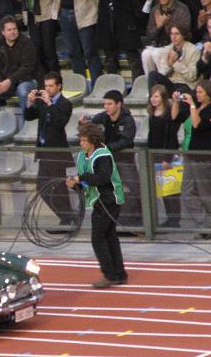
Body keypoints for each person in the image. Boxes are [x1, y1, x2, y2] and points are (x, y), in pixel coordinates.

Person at [66, 122, 128, 288]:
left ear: (92, 140)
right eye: (81, 140)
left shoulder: (102, 155)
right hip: (99, 199)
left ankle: (110, 274)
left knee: (98, 238)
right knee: (110, 236)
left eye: (84, 140)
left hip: (109, 199)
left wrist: (82, 178)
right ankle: (118, 274)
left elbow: (102, 178)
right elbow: (86, 182)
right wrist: (75, 184)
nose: (81, 143)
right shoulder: (82, 156)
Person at [171, 80, 211, 239]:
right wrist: (176, 102)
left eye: (200, 92)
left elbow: (196, 124)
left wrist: (192, 105)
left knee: (204, 191)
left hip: (202, 154)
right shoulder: (195, 107)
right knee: (186, 193)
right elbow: (174, 117)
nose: (197, 95)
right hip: (189, 153)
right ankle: (204, 224)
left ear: (208, 94)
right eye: (196, 92)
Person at [83, 90, 141, 229]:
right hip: (107, 162)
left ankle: (139, 219)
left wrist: (106, 148)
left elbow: (126, 141)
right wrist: (84, 124)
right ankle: (114, 220)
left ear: (119, 104)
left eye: (109, 104)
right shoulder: (102, 117)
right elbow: (89, 125)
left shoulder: (127, 120)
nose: (106, 107)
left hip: (124, 161)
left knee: (133, 188)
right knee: (108, 191)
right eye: (105, 104)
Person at [24, 72, 75, 227]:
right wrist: (30, 103)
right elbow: (29, 116)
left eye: (51, 86)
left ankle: (68, 218)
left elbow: (59, 123)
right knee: (42, 186)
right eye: (45, 86)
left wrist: (50, 104)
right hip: (44, 150)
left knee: (59, 187)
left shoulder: (65, 104)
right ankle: (67, 215)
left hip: (57, 151)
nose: (47, 89)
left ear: (59, 86)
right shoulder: (42, 102)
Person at [0, 15, 39, 114]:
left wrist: (9, 81)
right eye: (9, 30)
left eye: (15, 29)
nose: (13, 32)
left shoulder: (27, 44)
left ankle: (28, 124)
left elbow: (27, 69)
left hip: (27, 80)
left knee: (23, 91)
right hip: (6, 82)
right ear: (3, 32)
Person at [146, 84, 181, 228]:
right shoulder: (152, 115)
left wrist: (167, 158)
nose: (153, 99)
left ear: (163, 98)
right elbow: (151, 137)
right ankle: (169, 218)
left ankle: (175, 219)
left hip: (166, 154)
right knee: (162, 189)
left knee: (170, 190)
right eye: (152, 96)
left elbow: (172, 138)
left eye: (156, 96)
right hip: (155, 154)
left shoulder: (168, 115)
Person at [145, 24, 201, 95]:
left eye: (177, 34)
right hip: (172, 83)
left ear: (183, 35)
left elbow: (191, 76)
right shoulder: (168, 49)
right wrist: (169, 65)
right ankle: (151, 100)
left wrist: (175, 64)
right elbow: (163, 73)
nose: (173, 37)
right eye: (171, 34)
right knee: (152, 74)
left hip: (186, 84)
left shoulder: (194, 50)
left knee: (179, 92)